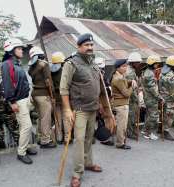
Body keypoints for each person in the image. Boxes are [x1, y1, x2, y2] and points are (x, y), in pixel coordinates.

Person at [60, 33, 102, 187]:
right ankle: (77, 173)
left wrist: (102, 105)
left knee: (89, 138)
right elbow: (63, 89)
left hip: (93, 108)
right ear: (79, 47)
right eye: (86, 45)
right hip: (79, 109)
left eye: (91, 45)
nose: (90, 47)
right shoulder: (71, 64)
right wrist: (67, 110)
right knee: (78, 140)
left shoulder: (93, 63)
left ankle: (89, 163)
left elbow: (99, 86)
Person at [1, 38, 37, 164]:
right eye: (19, 48)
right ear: (12, 50)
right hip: (18, 101)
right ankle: (21, 153)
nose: (22, 51)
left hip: (24, 99)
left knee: (23, 126)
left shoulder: (16, 63)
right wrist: (12, 102)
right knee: (27, 126)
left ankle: (25, 147)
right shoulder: (7, 64)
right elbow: (7, 84)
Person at [28, 46, 56, 148]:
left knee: (40, 117)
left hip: (34, 94)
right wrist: (52, 94)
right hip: (43, 94)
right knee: (46, 118)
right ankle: (45, 140)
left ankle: (40, 137)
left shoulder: (31, 67)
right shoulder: (44, 65)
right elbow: (48, 81)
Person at [141, 55, 164, 140]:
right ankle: (148, 133)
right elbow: (153, 89)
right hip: (151, 98)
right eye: (157, 63)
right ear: (153, 64)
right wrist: (159, 97)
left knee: (148, 115)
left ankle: (145, 130)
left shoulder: (146, 71)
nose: (157, 65)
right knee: (153, 116)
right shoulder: (149, 74)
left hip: (147, 97)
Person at [111, 59, 132, 149]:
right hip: (121, 105)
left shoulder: (119, 76)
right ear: (118, 68)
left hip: (120, 104)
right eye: (123, 66)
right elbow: (126, 94)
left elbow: (124, 83)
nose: (125, 68)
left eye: (126, 66)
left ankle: (120, 141)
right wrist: (132, 86)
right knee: (122, 125)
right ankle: (120, 143)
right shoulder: (118, 78)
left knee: (121, 124)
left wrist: (130, 82)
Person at [50, 51, 70, 144]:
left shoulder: (50, 71)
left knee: (57, 118)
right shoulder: (64, 70)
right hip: (64, 96)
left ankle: (59, 138)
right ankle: (67, 138)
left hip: (55, 97)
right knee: (66, 118)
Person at [159, 56, 174, 141]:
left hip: (163, 97)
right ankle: (166, 132)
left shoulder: (162, 73)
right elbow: (173, 91)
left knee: (163, 114)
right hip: (170, 99)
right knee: (170, 115)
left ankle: (161, 129)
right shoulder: (171, 75)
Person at [126, 52, 142, 139]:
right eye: (137, 62)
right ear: (133, 62)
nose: (139, 64)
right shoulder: (130, 73)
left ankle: (131, 131)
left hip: (130, 97)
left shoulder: (130, 70)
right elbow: (131, 89)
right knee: (131, 116)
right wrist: (137, 100)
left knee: (131, 115)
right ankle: (129, 132)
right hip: (131, 98)